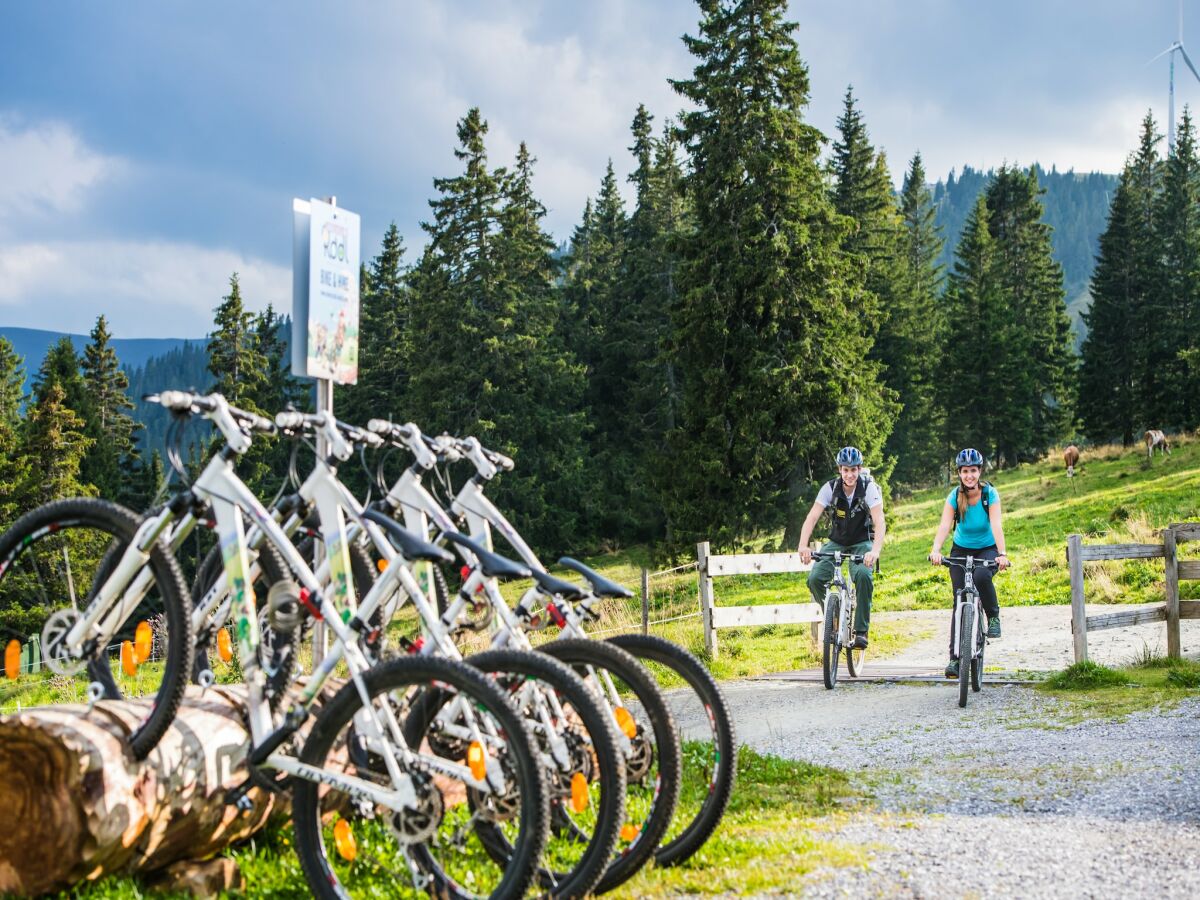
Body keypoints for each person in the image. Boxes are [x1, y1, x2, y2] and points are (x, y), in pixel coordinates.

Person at [928, 448, 1011, 678]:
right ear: (959, 473)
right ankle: (955, 659)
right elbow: (945, 525)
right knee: (959, 600)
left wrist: (1002, 554)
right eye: (965, 472)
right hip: (961, 549)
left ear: (980, 471)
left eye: (973, 471)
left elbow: (996, 524)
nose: (969, 476)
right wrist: (936, 550)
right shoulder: (954, 496)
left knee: (981, 576)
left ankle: (993, 617)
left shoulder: (989, 494)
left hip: (987, 548)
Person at [798, 446, 886, 649]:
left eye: (853, 470)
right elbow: (812, 517)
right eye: (845, 470)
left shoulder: (868, 488)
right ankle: (833, 620)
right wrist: (803, 545)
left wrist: (874, 551)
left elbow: (879, 521)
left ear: (859, 469)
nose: (850, 475)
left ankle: (861, 630)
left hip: (861, 541)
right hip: (837, 541)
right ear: (840, 470)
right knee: (815, 578)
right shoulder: (830, 488)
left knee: (863, 575)